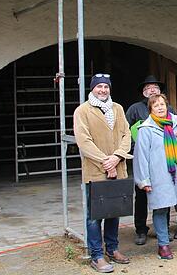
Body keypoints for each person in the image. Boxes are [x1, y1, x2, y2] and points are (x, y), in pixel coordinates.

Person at [73, 73, 132, 273]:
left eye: (106, 87)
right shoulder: (82, 111)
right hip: (96, 171)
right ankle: (97, 254)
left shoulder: (118, 109)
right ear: (92, 89)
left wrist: (117, 157)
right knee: (94, 216)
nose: (103, 90)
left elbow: (127, 134)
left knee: (114, 212)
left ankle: (113, 248)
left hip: (118, 166)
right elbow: (84, 141)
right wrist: (106, 162)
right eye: (99, 87)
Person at [133, 94, 177, 260]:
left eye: (162, 104)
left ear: (167, 106)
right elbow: (141, 157)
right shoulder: (146, 129)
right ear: (151, 109)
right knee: (160, 210)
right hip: (159, 176)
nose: (160, 107)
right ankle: (163, 245)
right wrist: (144, 181)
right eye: (155, 105)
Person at [125, 75, 177, 245]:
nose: (151, 90)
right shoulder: (134, 109)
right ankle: (140, 229)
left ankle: (163, 228)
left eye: (155, 87)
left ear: (160, 91)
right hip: (142, 158)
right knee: (141, 195)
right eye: (148, 87)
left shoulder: (168, 109)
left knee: (164, 193)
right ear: (143, 92)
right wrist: (133, 148)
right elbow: (125, 131)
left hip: (163, 158)